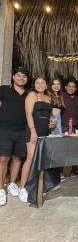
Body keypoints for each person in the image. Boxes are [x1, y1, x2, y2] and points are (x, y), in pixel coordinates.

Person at [18, 76, 56, 202]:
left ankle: (38, 186)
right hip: (33, 130)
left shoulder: (49, 97)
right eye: (37, 83)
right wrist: (33, 131)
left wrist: (52, 123)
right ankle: (23, 188)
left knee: (41, 160)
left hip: (45, 131)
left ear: (46, 85)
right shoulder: (31, 95)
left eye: (43, 83)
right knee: (30, 159)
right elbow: (28, 114)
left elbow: (49, 115)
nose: (40, 85)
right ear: (34, 84)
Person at [0, 67, 28, 206]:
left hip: (22, 131)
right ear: (13, 77)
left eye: (24, 76)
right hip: (4, 130)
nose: (21, 78)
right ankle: (0, 190)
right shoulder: (4, 89)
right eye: (18, 75)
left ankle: (11, 184)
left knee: (17, 158)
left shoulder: (29, 94)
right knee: (3, 159)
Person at [61, 78, 78, 177]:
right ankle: (61, 171)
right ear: (65, 87)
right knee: (63, 149)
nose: (71, 88)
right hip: (63, 127)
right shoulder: (61, 98)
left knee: (75, 149)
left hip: (75, 127)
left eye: (73, 87)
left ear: (76, 88)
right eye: (69, 86)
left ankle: (74, 169)